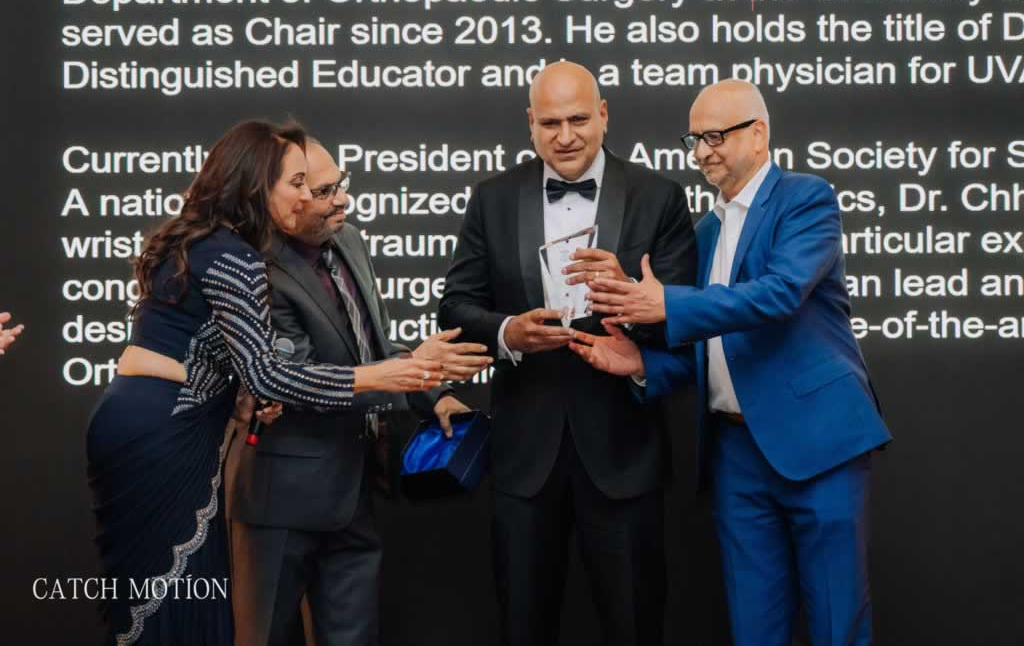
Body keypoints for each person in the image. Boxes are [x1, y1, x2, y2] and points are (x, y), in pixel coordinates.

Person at [86, 121, 443, 646]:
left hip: (145, 416)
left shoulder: (201, 240)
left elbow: (229, 363)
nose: (306, 196)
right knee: (167, 599)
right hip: (164, 430)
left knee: (156, 601)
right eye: (296, 183)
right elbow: (267, 372)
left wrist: (245, 396)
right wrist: (377, 375)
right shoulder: (234, 254)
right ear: (255, 185)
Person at [571, 79, 893, 646]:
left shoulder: (805, 198)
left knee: (837, 624)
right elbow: (709, 351)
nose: (702, 151)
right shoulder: (704, 231)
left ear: (759, 134)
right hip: (735, 455)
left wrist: (667, 303)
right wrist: (642, 363)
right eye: (694, 139)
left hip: (819, 444)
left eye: (715, 136)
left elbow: (780, 293)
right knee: (753, 628)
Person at [439, 61, 697, 646]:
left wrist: (631, 297)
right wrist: (509, 332)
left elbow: (684, 321)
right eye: (550, 123)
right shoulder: (492, 198)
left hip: (624, 453)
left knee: (635, 627)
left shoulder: (659, 197)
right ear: (530, 124)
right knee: (523, 628)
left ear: (603, 115)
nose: (565, 136)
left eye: (578, 119)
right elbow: (454, 307)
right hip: (524, 457)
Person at [227, 139, 491, 646]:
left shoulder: (348, 240)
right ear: (280, 198)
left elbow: (373, 345)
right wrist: (411, 367)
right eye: (323, 190)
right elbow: (300, 380)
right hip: (280, 498)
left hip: (356, 488)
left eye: (340, 183)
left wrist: (433, 394)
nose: (342, 199)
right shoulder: (254, 267)